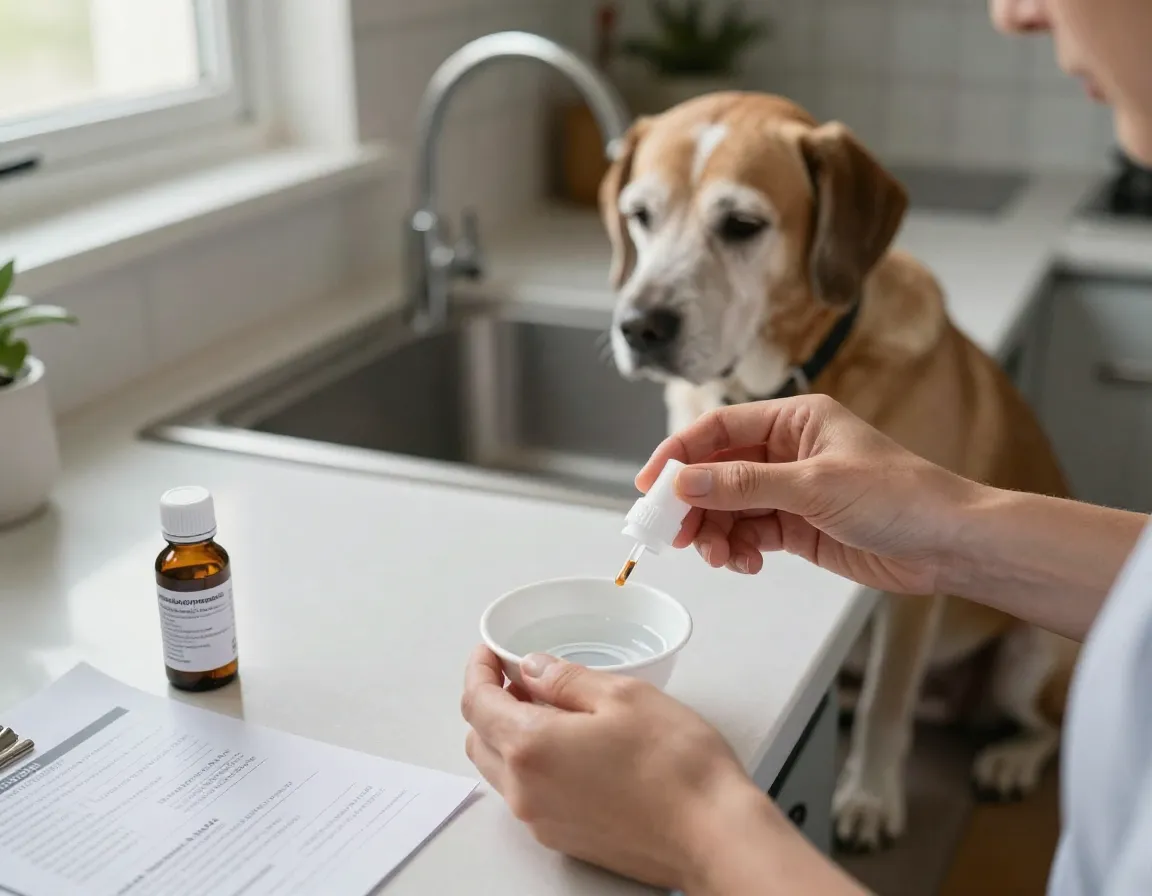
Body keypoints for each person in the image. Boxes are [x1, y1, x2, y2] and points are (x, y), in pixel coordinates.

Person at [460, 1, 1152, 893]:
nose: (648, 300)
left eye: (738, 228)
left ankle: (1020, 728)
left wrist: (699, 828)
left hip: (999, 651)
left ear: (828, 235)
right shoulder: (710, 363)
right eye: (643, 219)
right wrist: (945, 533)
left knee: (1020, 688)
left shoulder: (907, 355)